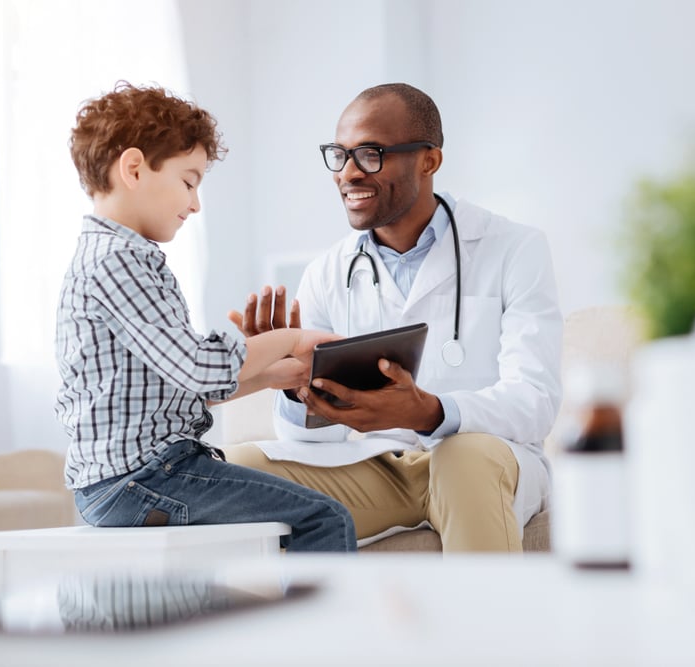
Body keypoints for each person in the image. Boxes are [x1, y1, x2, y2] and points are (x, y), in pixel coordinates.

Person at [226, 83, 562, 552]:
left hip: (483, 457)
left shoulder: (514, 248)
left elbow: (535, 400)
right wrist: (288, 380)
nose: (347, 173)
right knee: (237, 469)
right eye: (339, 155)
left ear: (429, 160)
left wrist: (430, 411)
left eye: (369, 154)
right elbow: (306, 437)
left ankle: (489, 627)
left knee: (462, 458)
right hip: (378, 467)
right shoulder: (327, 271)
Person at [54, 82, 356, 552]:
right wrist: (292, 339)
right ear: (134, 168)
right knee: (324, 519)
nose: (195, 204)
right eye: (189, 182)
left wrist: (274, 377)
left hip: (127, 480)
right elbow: (198, 369)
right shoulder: (121, 261)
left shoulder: (113, 256)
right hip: (142, 479)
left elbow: (174, 391)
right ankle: (313, 628)